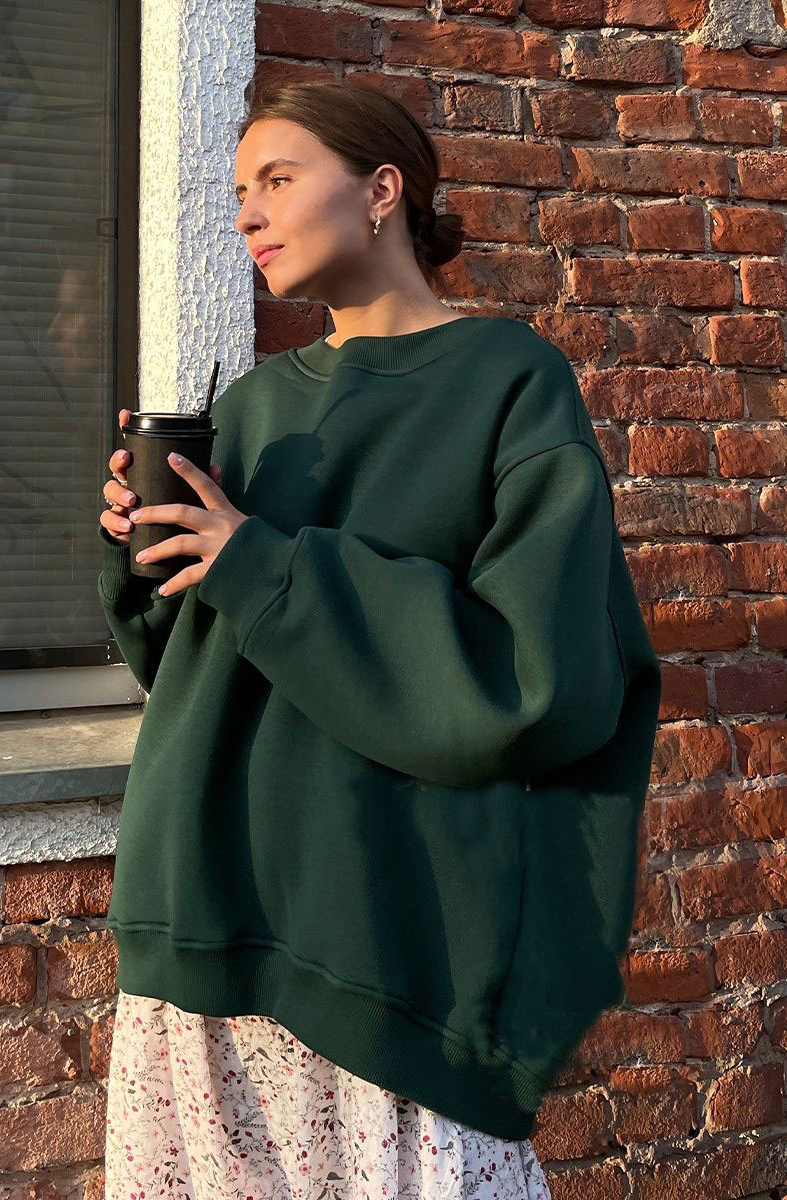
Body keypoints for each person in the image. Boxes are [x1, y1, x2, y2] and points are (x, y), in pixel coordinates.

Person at [98, 80, 662, 1199]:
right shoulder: (250, 408)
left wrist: (263, 566)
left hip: (385, 947)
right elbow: (196, 675)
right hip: (198, 916)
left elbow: (540, 682)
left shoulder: (508, 380)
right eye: (239, 191)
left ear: (382, 192)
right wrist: (144, 552)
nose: (247, 215)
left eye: (278, 179)